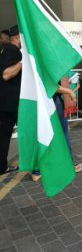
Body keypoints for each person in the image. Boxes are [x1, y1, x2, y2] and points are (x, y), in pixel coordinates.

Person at [0, 25, 21, 175]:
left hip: (7, 102)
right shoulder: (12, 50)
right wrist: (23, 62)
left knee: (4, 135)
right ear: (18, 37)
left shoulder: (5, 49)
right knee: (5, 135)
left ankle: (2, 166)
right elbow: (6, 74)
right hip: (11, 103)